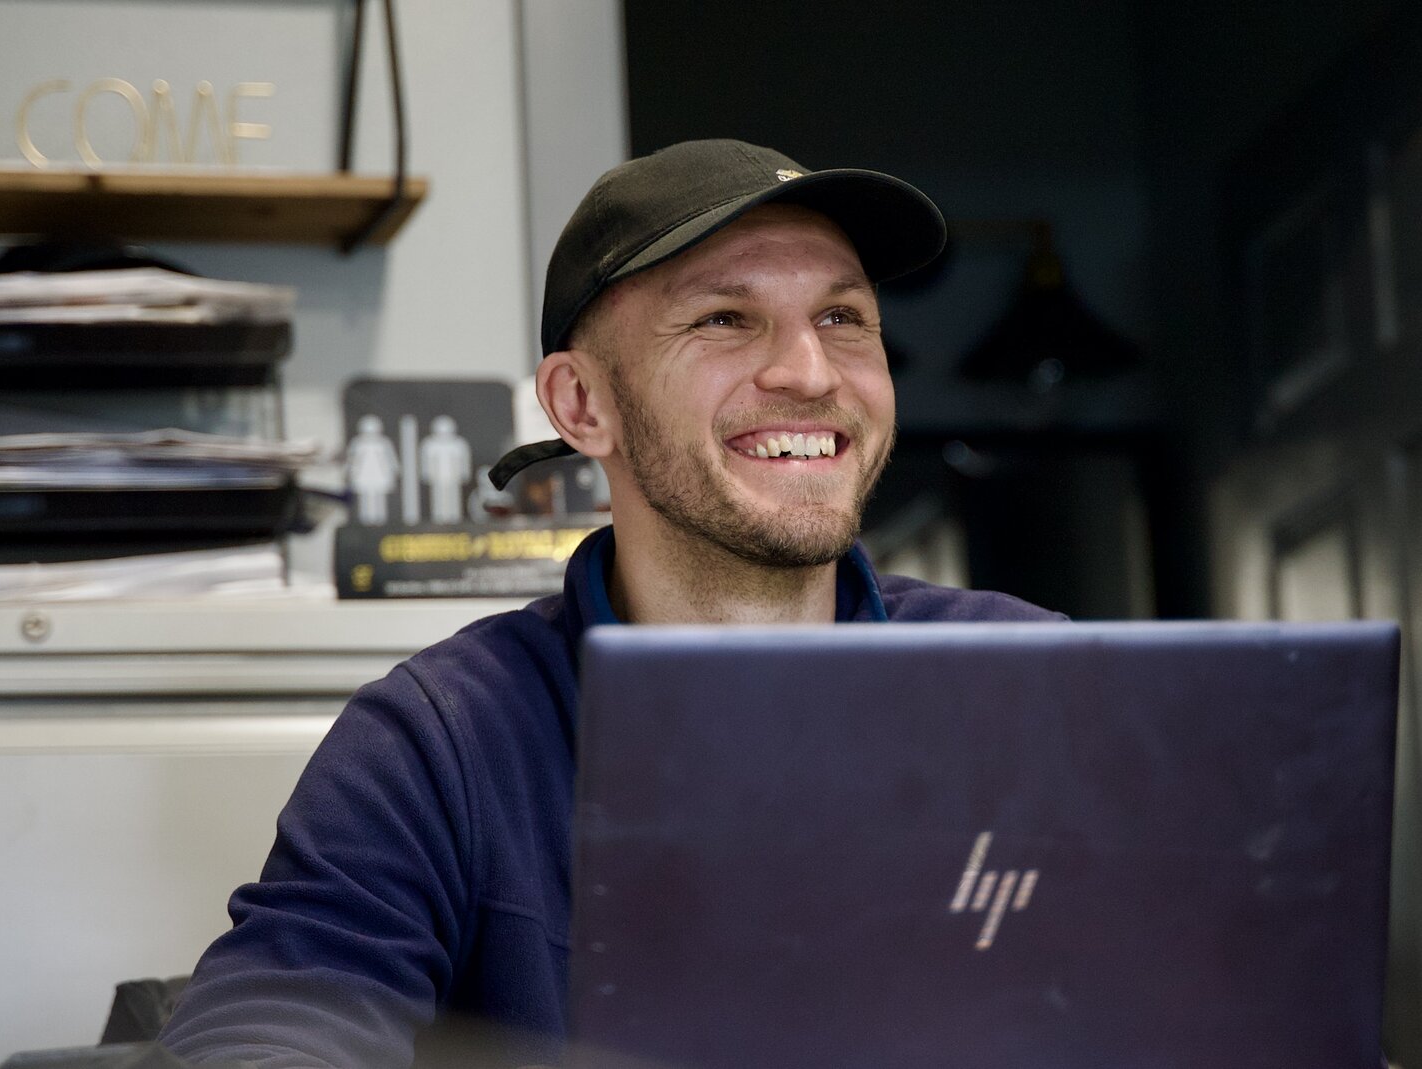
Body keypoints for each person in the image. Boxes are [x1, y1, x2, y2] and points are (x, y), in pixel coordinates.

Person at [159, 139, 1062, 1069]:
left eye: (843, 316)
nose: (810, 371)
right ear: (583, 402)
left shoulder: (1037, 687)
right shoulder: (445, 738)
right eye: (723, 318)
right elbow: (273, 1017)